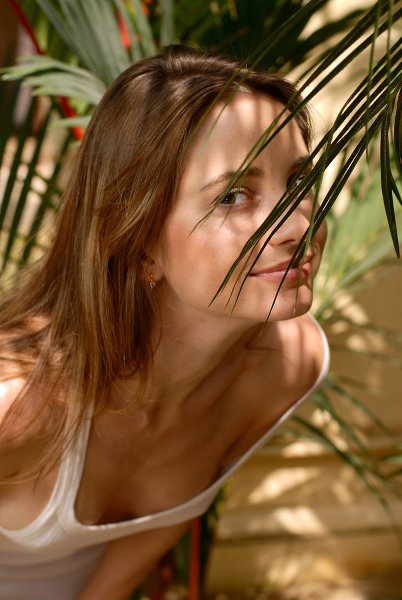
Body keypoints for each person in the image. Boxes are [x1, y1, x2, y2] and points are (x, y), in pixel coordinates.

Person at [0, 45, 328, 600]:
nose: (296, 224)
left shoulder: (288, 369)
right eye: (234, 195)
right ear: (141, 243)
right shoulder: (18, 400)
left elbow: (126, 566)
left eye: (298, 183)